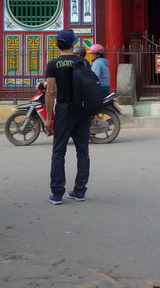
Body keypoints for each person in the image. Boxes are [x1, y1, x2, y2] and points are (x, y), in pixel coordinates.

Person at [44, 29, 91, 204]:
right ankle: (79, 191)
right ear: (73, 44)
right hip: (82, 111)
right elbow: (90, 89)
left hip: (63, 111)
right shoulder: (84, 63)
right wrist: (92, 113)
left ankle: (57, 194)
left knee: (58, 152)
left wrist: (49, 117)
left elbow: (50, 92)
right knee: (83, 152)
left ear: (58, 45)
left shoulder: (53, 65)